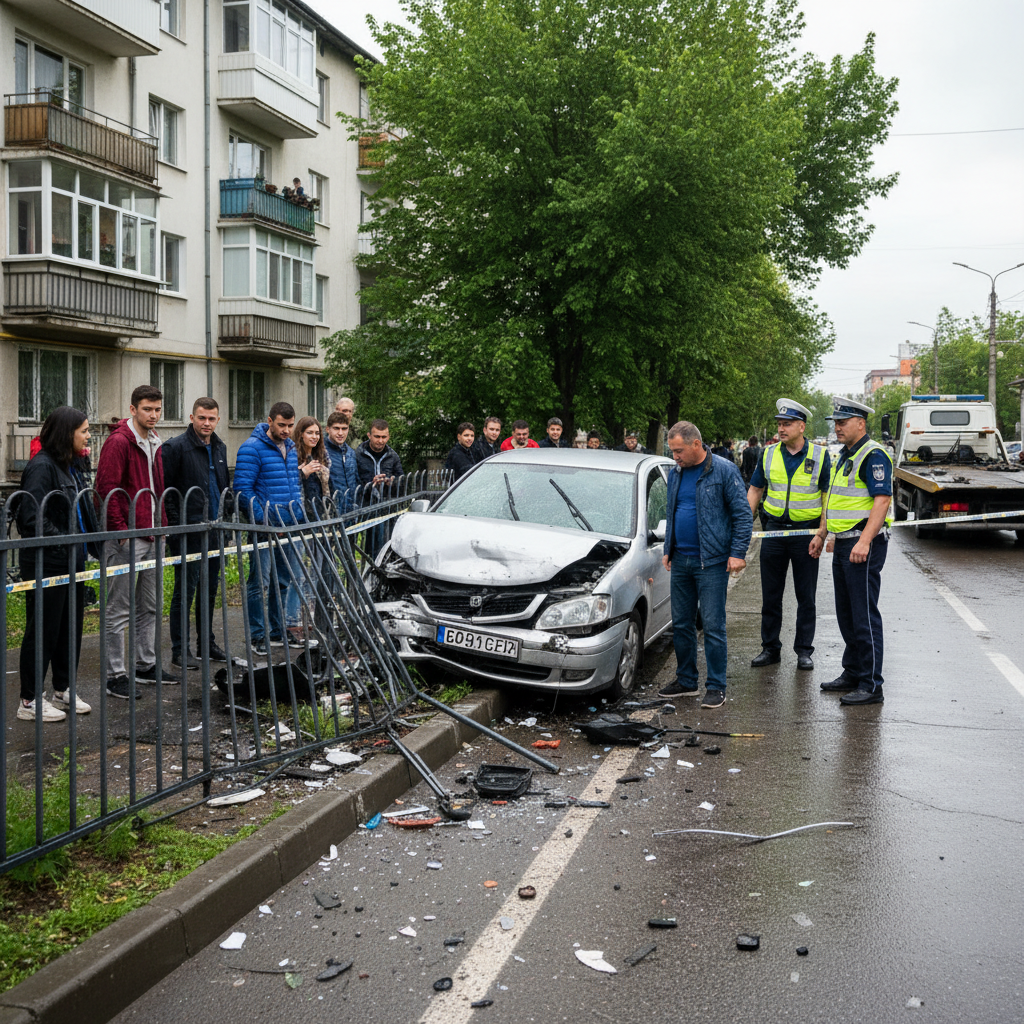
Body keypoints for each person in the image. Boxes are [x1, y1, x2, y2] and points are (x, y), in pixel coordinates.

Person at [657, 421, 751, 708]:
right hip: (681, 559)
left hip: (711, 562)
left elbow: (742, 515)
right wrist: (668, 548)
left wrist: (737, 553)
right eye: (672, 451)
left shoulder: (723, 471)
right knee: (681, 624)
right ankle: (686, 681)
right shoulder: (676, 473)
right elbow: (672, 512)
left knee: (712, 625)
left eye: (679, 451)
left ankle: (716, 685)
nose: (675, 457)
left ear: (696, 444)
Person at [95, 384, 176, 698]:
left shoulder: (154, 440)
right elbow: (106, 489)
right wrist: (120, 532)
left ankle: (146, 665)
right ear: (133, 409)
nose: (153, 415)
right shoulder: (119, 441)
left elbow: (157, 489)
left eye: (157, 410)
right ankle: (115, 675)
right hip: (128, 538)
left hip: (153, 534)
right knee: (119, 609)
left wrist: (162, 526)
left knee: (150, 606)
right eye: (147, 409)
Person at [15, 407, 96, 721]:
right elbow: (30, 518)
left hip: (71, 560)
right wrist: (66, 540)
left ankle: (62, 689)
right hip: (46, 562)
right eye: (84, 431)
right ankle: (29, 701)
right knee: (43, 631)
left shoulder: (69, 465)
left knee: (69, 630)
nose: (88, 437)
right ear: (67, 433)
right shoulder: (42, 467)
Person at [815, 396, 893, 706]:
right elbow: (838, 500)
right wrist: (826, 533)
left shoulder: (873, 455)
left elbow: (882, 500)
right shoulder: (846, 455)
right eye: (835, 422)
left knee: (864, 615)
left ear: (861, 423)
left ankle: (871, 684)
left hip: (862, 543)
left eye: (843, 422)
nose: (837, 427)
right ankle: (853, 671)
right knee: (846, 613)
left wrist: (864, 541)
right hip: (845, 541)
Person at [746, 400, 830, 671]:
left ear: (801, 427)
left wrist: (822, 532)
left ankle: (804, 651)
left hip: (807, 534)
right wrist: (744, 526)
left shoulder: (820, 455)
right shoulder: (768, 454)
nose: (781, 429)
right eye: (779, 424)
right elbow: (755, 490)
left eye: (787, 424)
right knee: (771, 596)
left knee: (806, 596)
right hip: (774, 532)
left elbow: (827, 497)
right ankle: (770, 648)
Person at [161, 397, 231, 670]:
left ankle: (206, 644)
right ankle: (180, 650)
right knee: (185, 592)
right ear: (192, 418)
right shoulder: (176, 447)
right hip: (188, 532)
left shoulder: (220, 447)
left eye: (211, 418)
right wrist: (176, 528)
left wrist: (225, 521)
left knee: (209, 590)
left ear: (218, 419)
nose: (206, 423)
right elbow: (166, 492)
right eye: (202, 418)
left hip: (215, 530)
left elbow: (224, 487)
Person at [233, 402, 306, 657]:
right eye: (281, 425)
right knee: (259, 583)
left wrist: (296, 516)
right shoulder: (252, 448)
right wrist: (265, 521)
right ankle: (257, 634)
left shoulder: (291, 448)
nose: (286, 430)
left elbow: (293, 486)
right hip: (263, 528)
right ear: (270, 421)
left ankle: (276, 631)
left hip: (289, 526)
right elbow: (243, 490)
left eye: (290, 425)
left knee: (283, 581)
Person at [355, 419, 405, 559]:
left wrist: (392, 482)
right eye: (377, 436)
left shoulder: (392, 456)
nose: (380, 441)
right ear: (369, 435)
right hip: (365, 506)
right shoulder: (358, 454)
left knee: (385, 547)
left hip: (387, 507)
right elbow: (354, 480)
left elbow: (402, 481)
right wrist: (370, 485)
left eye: (384, 437)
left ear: (388, 437)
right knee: (365, 547)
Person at [324, 411, 359, 512]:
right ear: (328, 429)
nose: (340, 433)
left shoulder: (351, 453)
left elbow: (356, 481)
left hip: (351, 510)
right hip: (331, 511)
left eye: (344, 429)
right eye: (336, 428)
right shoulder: (320, 452)